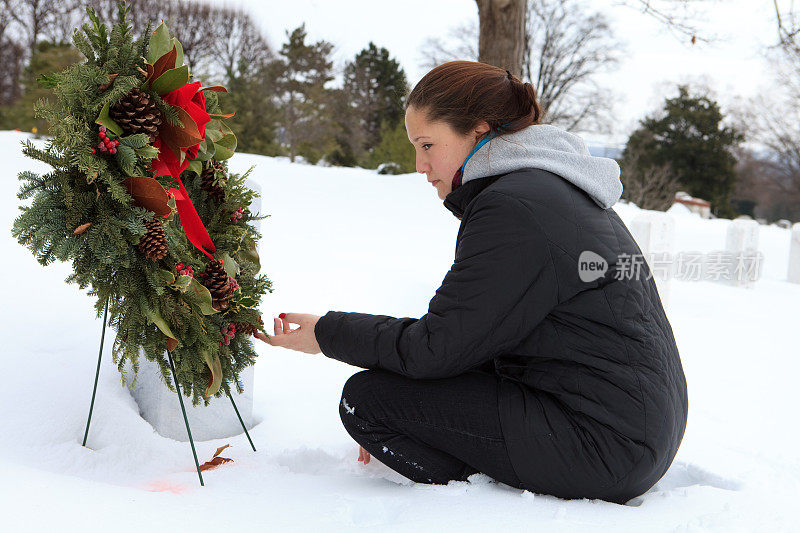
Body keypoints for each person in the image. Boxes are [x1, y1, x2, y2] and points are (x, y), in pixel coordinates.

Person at [255, 60, 688, 505]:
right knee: (394, 393)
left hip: (601, 447)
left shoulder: (514, 207)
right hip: (630, 434)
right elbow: (476, 338)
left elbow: (436, 348)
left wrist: (327, 334)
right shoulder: (550, 189)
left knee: (368, 401)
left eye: (427, 144)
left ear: (478, 132)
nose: (420, 165)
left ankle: (481, 497)